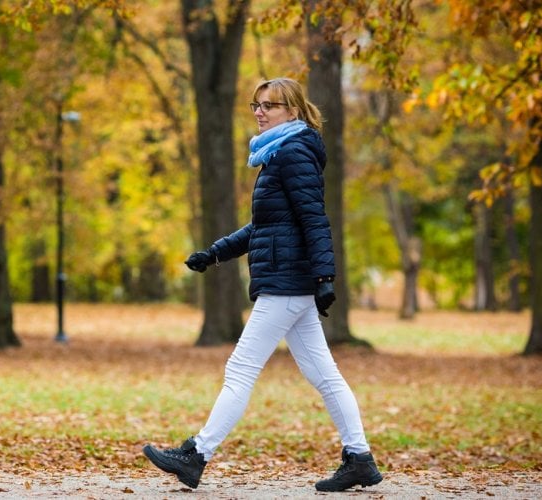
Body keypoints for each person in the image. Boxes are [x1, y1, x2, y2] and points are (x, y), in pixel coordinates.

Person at [142, 77, 383, 492]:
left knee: (241, 368)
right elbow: (267, 225)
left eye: (269, 106)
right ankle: (359, 458)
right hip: (288, 277)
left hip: (287, 281)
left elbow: (314, 218)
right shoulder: (279, 153)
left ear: (292, 111)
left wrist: (326, 277)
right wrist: (215, 253)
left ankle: (196, 455)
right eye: (256, 105)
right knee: (324, 374)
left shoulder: (293, 153)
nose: (259, 112)